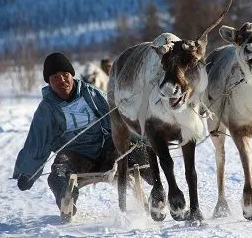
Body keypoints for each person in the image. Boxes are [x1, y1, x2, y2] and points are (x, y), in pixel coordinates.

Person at [12, 52, 150, 222]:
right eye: (55, 77)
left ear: (72, 75)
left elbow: (118, 118)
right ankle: (67, 200)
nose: (62, 80)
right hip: (76, 155)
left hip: (106, 149)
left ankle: (156, 185)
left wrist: (140, 138)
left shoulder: (91, 93)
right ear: (49, 82)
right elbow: (37, 142)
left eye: (65, 75)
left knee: (136, 148)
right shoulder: (46, 109)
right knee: (59, 172)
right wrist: (27, 173)